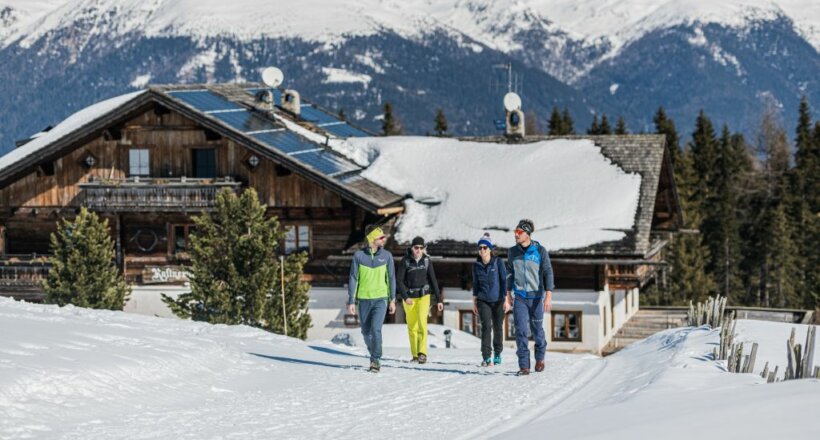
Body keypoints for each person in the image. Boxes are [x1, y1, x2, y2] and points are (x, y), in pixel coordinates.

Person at [504, 219, 554, 376]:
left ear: (527, 234)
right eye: (515, 232)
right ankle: (524, 366)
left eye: (519, 232)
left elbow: (548, 272)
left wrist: (548, 295)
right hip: (519, 297)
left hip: (536, 297)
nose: (516, 235)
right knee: (520, 331)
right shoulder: (512, 252)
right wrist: (507, 295)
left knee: (537, 330)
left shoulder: (540, 251)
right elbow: (509, 274)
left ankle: (540, 358)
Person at [347, 225, 397, 372]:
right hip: (363, 299)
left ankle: (375, 359)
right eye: (380, 237)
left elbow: (391, 278)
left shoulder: (387, 256)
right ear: (372, 239)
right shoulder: (358, 256)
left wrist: (392, 299)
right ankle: (374, 352)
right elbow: (353, 278)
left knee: (376, 329)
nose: (384, 239)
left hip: (381, 299)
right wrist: (351, 300)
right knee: (366, 332)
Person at [396, 236, 443, 364]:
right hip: (410, 298)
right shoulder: (405, 261)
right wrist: (406, 297)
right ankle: (415, 355)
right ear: (412, 248)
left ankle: (422, 353)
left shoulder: (426, 261)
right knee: (412, 327)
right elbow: (399, 281)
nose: (418, 250)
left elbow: (433, 280)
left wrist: (439, 300)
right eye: (416, 247)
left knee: (422, 323)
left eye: (421, 248)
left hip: (424, 297)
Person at [472, 233, 507, 367]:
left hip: (498, 300)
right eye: (480, 248)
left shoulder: (498, 262)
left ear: (490, 249)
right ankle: (486, 357)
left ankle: (497, 353)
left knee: (498, 327)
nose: (482, 250)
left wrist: (507, 299)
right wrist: (474, 301)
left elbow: (504, 281)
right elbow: (475, 284)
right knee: (486, 327)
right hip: (483, 300)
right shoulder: (476, 266)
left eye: (485, 248)